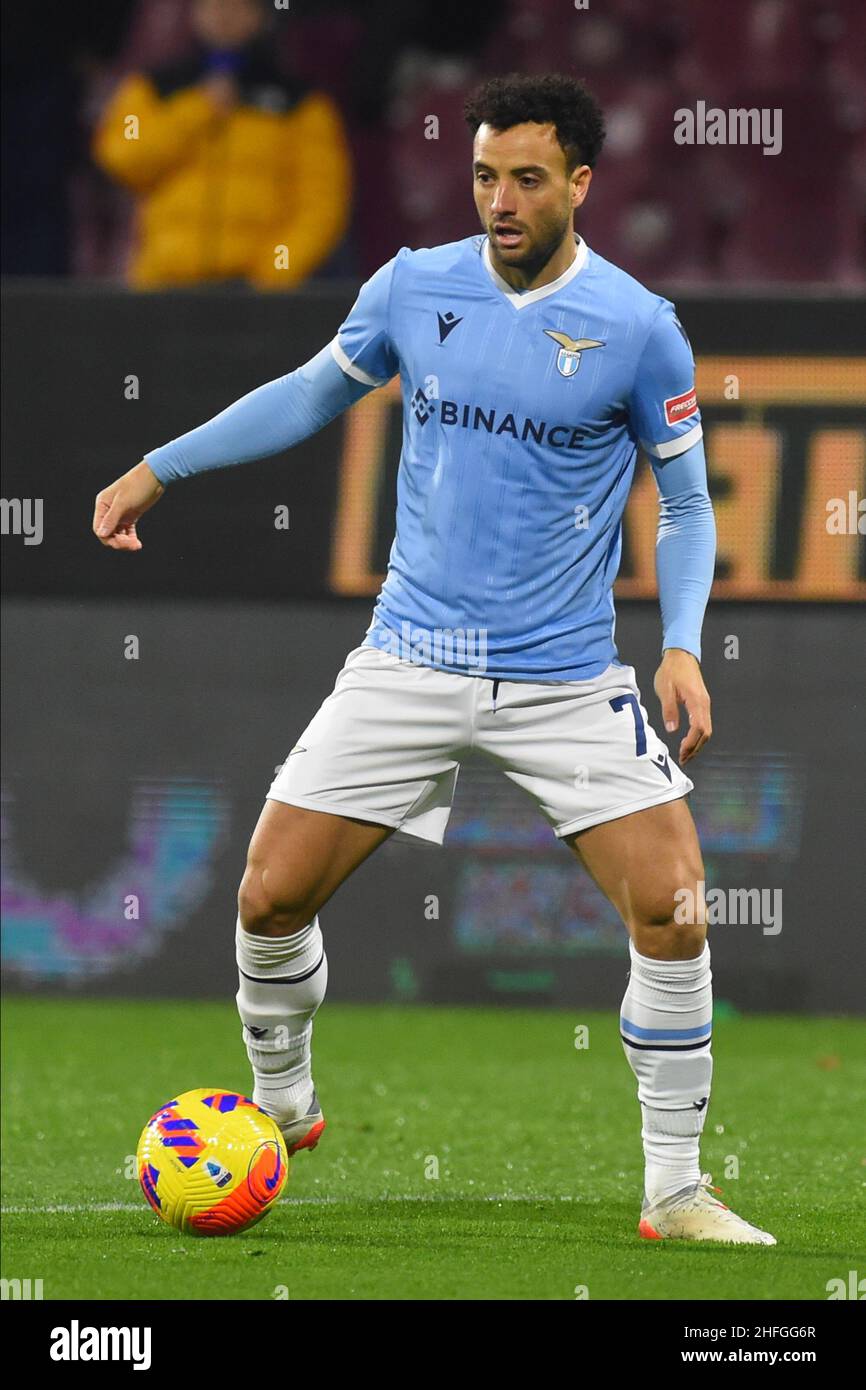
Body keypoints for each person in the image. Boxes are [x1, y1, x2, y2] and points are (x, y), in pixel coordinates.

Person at [92, 72, 775, 1245]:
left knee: (671, 908)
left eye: (523, 178)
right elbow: (312, 395)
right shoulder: (413, 285)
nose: (497, 200)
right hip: (407, 657)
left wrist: (676, 646)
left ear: (579, 184)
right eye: (481, 175)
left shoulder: (637, 325)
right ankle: (285, 1104)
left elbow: (687, 502)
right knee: (266, 897)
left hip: (562, 677)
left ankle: (673, 1188)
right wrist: (162, 462)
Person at [92, 0, 351, 289]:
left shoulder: (300, 104)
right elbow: (123, 157)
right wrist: (198, 111)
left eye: (240, 6)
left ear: (263, 16)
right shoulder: (155, 87)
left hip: (254, 294)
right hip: (165, 286)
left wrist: (274, 273)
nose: (224, 15)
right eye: (213, 5)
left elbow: (322, 205)